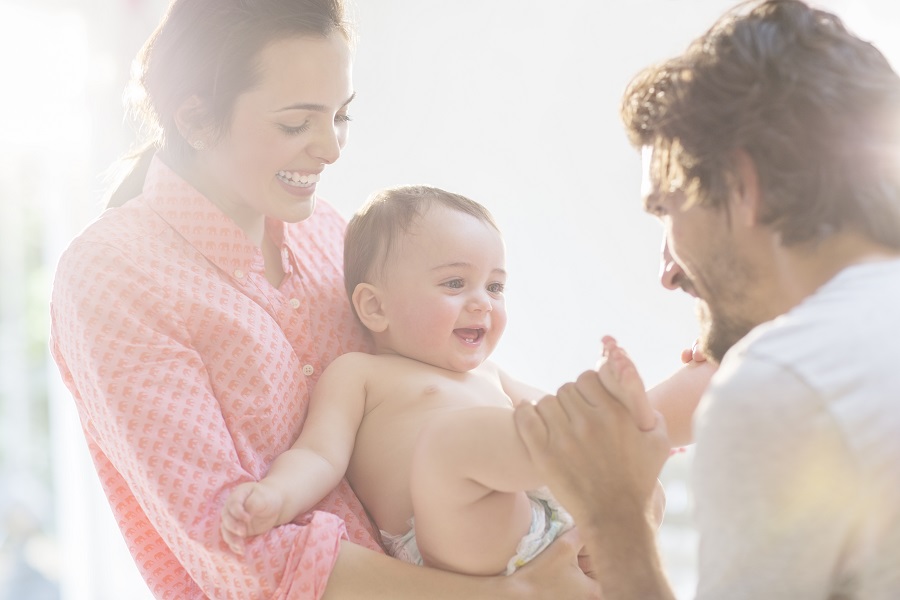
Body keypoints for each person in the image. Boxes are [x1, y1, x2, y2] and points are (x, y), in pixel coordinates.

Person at [48, 1, 604, 598]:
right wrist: (512, 594)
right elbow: (234, 546)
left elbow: (447, 385)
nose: (332, 149)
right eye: (296, 124)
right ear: (195, 119)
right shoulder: (114, 275)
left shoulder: (329, 234)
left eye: (341, 117)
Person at [513, 1, 900, 598]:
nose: (667, 274)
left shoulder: (784, 381)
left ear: (742, 186)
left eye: (666, 209)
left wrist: (615, 518)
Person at [219, 185, 715, 576]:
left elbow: (554, 416)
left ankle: (700, 389)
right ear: (375, 306)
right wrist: (276, 497)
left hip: (542, 520)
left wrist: (603, 421)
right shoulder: (359, 374)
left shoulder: (491, 374)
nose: (483, 302)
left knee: (646, 490)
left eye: (495, 286)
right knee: (454, 442)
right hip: (456, 535)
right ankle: (629, 442)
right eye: (455, 283)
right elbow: (318, 454)